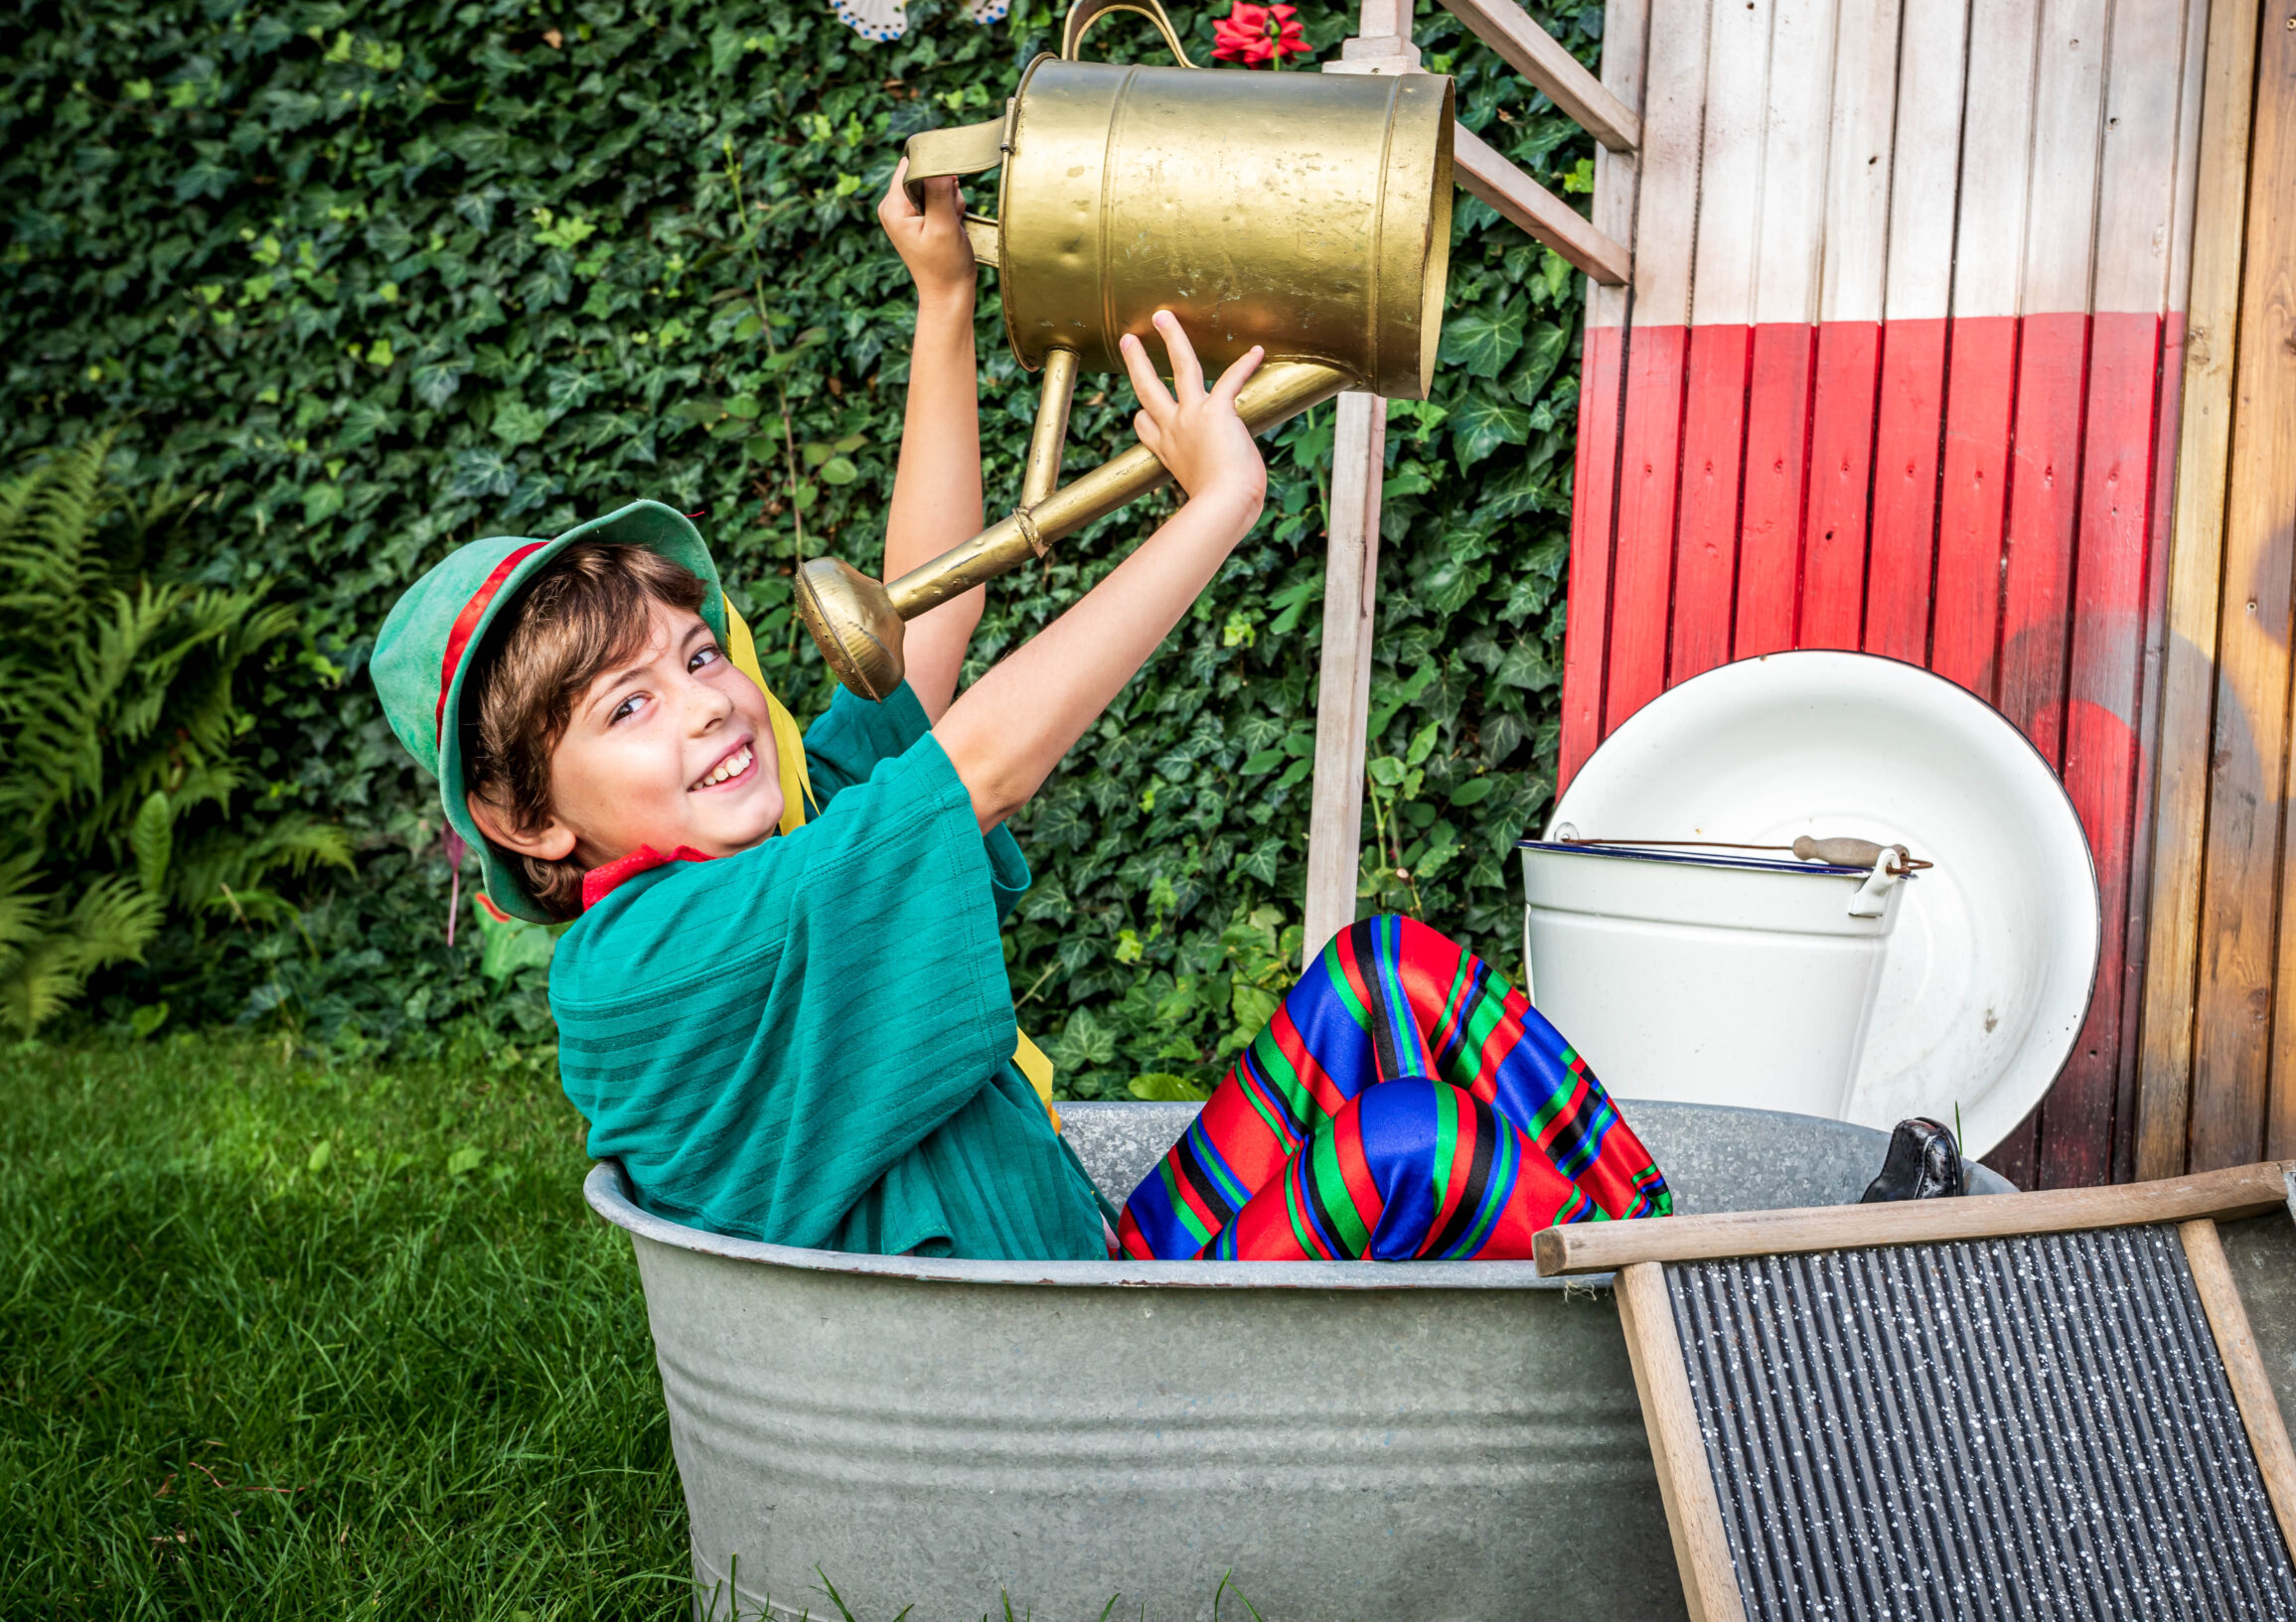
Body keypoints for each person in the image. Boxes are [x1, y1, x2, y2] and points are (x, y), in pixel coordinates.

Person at [367, 164, 1669, 1260]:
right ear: (525, 819)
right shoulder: (644, 963)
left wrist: (943, 302)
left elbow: (921, 630)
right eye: (630, 705)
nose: (709, 706)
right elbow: (979, 766)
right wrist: (1214, 509)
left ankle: (1676, 1258)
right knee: (1416, 1148)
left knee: (1394, 973)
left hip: (1092, 1269)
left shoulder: (787, 869)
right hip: (1073, 1373)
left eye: (703, 656)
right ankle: (1670, 1335)